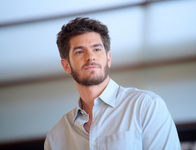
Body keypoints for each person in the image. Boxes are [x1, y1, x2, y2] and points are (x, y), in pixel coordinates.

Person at [44, 17, 181, 150]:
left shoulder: (146, 107)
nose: (90, 57)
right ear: (66, 65)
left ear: (108, 58)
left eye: (97, 49)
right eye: (79, 51)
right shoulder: (55, 137)